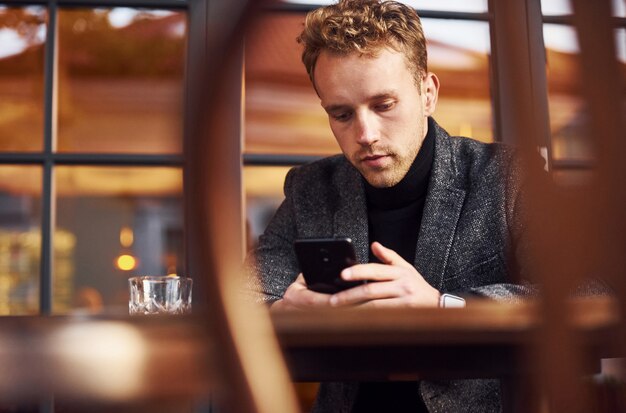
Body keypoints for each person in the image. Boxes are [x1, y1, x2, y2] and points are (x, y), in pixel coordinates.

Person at [246, 0, 531, 411]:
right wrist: (283, 314)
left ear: (427, 93)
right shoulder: (311, 188)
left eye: (383, 105)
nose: (365, 134)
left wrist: (442, 306)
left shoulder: (506, 176)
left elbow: (590, 291)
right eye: (342, 114)